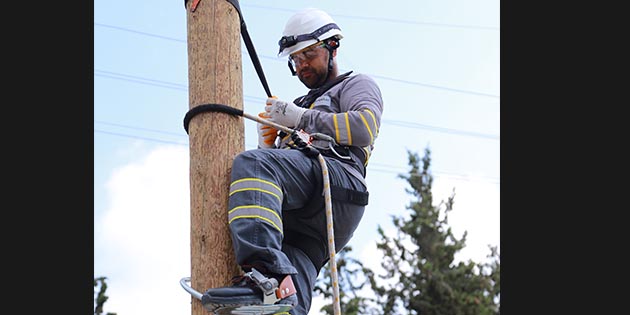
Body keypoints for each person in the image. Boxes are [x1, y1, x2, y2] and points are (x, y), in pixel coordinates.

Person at [202, 7, 384, 314]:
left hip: (337, 184)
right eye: (295, 60)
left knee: (254, 165)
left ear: (332, 46)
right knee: (290, 286)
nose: (302, 66)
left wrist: (299, 119)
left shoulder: (355, 85)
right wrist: (269, 142)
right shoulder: (300, 104)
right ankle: (278, 292)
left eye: (309, 54)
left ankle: (266, 276)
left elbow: (364, 128)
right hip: (306, 220)